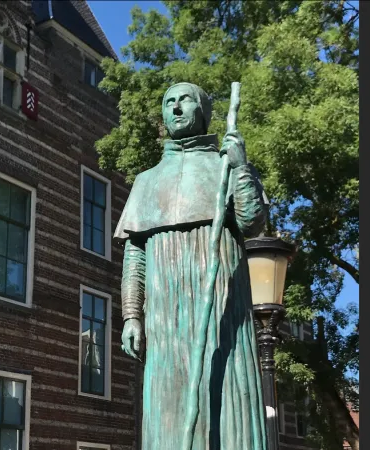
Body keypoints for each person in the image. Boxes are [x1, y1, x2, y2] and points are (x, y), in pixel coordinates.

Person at [115, 82, 268, 450]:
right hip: (165, 319)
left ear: (202, 110)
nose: (176, 108)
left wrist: (242, 168)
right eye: (169, 102)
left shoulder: (225, 167)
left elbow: (253, 223)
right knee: (168, 408)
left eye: (185, 100)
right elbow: (135, 254)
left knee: (227, 401)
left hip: (219, 310)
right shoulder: (147, 181)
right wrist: (132, 314)